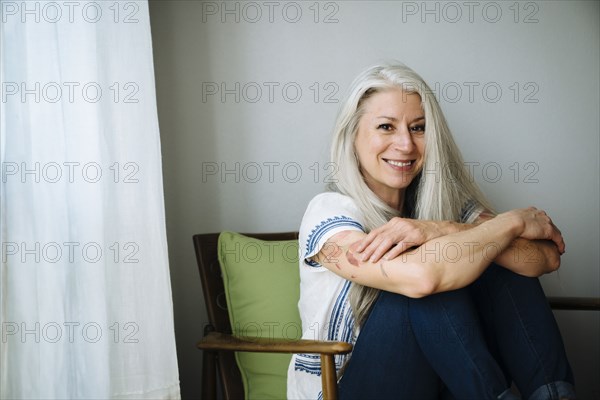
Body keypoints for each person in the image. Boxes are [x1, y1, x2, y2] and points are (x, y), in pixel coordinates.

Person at [286, 63, 575, 400]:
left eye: (418, 128)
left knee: (498, 261)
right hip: (347, 388)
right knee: (430, 280)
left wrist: (442, 228)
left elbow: (545, 258)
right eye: (386, 127)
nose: (406, 145)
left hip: (435, 379)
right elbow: (424, 279)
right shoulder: (329, 209)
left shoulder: (441, 201)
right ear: (353, 136)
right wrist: (513, 222)